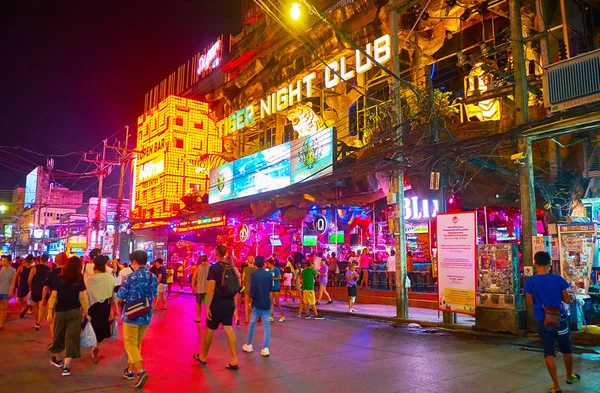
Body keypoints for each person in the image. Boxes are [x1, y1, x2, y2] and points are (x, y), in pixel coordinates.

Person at [524, 251, 579, 393]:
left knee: (548, 352)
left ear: (535, 264)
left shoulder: (529, 282)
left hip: (542, 321)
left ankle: (556, 386)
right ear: (550, 264)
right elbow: (566, 299)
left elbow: (529, 302)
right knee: (566, 348)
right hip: (559, 319)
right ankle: (569, 376)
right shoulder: (559, 279)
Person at [116, 250, 159, 388]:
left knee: (129, 343)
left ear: (134, 261)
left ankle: (140, 371)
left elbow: (120, 297)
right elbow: (155, 294)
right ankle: (129, 370)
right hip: (146, 315)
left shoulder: (131, 277)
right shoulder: (153, 277)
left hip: (131, 315)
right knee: (137, 344)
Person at [193, 245, 239, 370]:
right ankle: (234, 359)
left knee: (210, 328)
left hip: (217, 303)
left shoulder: (214, 268)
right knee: (229, 328)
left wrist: (208, 306)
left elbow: (211, 287)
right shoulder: (231, 268)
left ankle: (203, 356)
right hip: (229, 303)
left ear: (216, 254)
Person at [47, 256, 90, 376]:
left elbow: (53, 296)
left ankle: (58, 359)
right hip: (75, 312)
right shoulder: (79, 278)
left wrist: (50, 311)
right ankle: (66, 367)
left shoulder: (58, 278)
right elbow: (82, 298)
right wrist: (87, 312)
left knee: (58, 335)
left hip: (60, 312)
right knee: (72, 337)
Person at [85, 255, 117, 364]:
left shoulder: (89, 280)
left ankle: (94, 347)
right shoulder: (109, 278)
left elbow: (85, 296)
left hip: (91, 307)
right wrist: (115, 310)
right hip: (105, 307)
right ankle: (95, 347)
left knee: (92, 328)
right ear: (105, 265)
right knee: (101, 330)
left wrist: (83, 311)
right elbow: (113, 296)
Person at [242, 256, 273, 357]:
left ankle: (249, 344)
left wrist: (251, 303)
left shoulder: (253, 275)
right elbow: (270, 288)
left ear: (256, 263)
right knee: (266, 327)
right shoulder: (269, 275)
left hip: (256, 303)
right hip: (266, 303)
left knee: (252, 324)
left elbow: (252, 290)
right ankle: (265, 348)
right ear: (264, 263)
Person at [44, 252, 67, 339]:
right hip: (66, 298)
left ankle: (54, 339)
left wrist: (43, 299)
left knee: (52, 320)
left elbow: (46, 287)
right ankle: (62, 338)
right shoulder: (68, 272)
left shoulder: (51, 271)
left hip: (53, 297)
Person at [29, 253, 51, 330]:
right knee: (42, 306)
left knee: (35, 305)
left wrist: (30, 286)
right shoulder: (49, 269)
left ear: (40, 260)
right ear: (47, 260)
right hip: (44, 290)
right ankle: (38, 322)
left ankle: (36, 320)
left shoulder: (34, 268)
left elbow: (29, 280)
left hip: (35, 289)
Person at [191, 255, 210, 323]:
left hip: (200, 289)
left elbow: (193, 278)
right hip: (208, 289)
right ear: (207, 259)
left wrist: (193, 288)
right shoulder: (210, 267)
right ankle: (208, 317)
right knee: (208, 304)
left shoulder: (198, 268)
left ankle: (198, 317)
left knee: (198, 303)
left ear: (201, 260)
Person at [0, 255, 17, 330]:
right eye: (2, 260)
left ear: (9, 261)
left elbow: (13, 282)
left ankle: (1, 323)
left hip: (6, 291)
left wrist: (11, 291)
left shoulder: (12, 270)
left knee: (4, 308)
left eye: (4, 260)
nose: (3, 262)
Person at [16, 254, 34, 318]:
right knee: (29, 299)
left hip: (21, 285)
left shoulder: (21, 267)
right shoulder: (33, 268)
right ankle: (29, 310)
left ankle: (24, 307)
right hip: (30, 286)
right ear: (32, 261)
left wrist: (16, 285)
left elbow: (16, 276)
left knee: (19, 299)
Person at [267, 258, 285, 322]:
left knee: (277, 302)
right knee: (271, 302)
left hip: (276, 287)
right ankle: (271, 316)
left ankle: (282, 315)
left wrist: (273, 278)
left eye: (268, 264)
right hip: (271, 288)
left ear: (271, 263)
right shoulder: (268, 271)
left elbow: (280, 277)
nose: (267, 265)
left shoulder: (276, 269)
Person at [242, 256, 256, 323]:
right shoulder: (255, 268)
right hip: (254, 288)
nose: (252, 259)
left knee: (247, 304)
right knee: (252, 303)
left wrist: (244, 283)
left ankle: (247, 319)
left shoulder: (245, 269)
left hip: (247, 287)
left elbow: (243, 279)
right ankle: (252, 317)